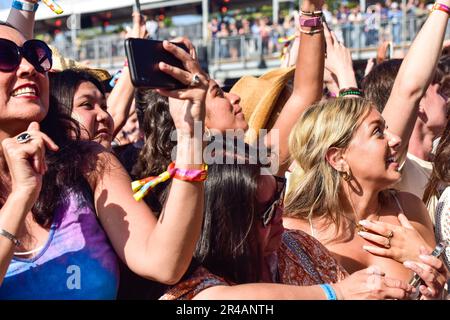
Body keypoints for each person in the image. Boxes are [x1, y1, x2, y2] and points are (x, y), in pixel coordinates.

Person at [0, 21, 208, 299]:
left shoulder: (89, 163)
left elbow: (163, 262)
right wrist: (20, 197)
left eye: (36, 55)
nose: (28, 68)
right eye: (4, 55)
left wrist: (190, 134)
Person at [284, 97, 447, 299]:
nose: (395, 139)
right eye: (378, 131)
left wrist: (436, 286)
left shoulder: (408, 209)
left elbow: (439, 290)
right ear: (338, 158)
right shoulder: (293, 233)